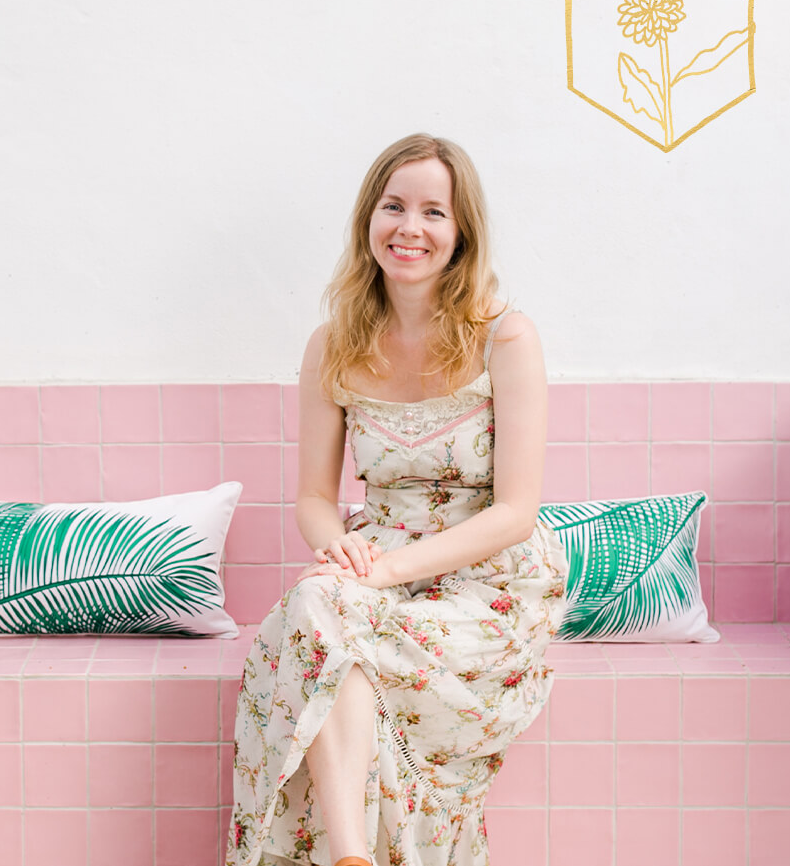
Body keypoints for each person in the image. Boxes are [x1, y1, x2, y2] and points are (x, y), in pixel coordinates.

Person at [226, 134, 568, 866]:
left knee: (320, 623)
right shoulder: (333, 343)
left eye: (434, 211)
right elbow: (314, 497)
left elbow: (516, 511)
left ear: (461, 230)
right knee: (315, 607)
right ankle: (352, 856)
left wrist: (383, 570)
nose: (411, 227)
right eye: (394, 206)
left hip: (486, 578)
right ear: (368, 220)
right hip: (376, 558)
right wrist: (340, 546)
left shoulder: (506, 338)